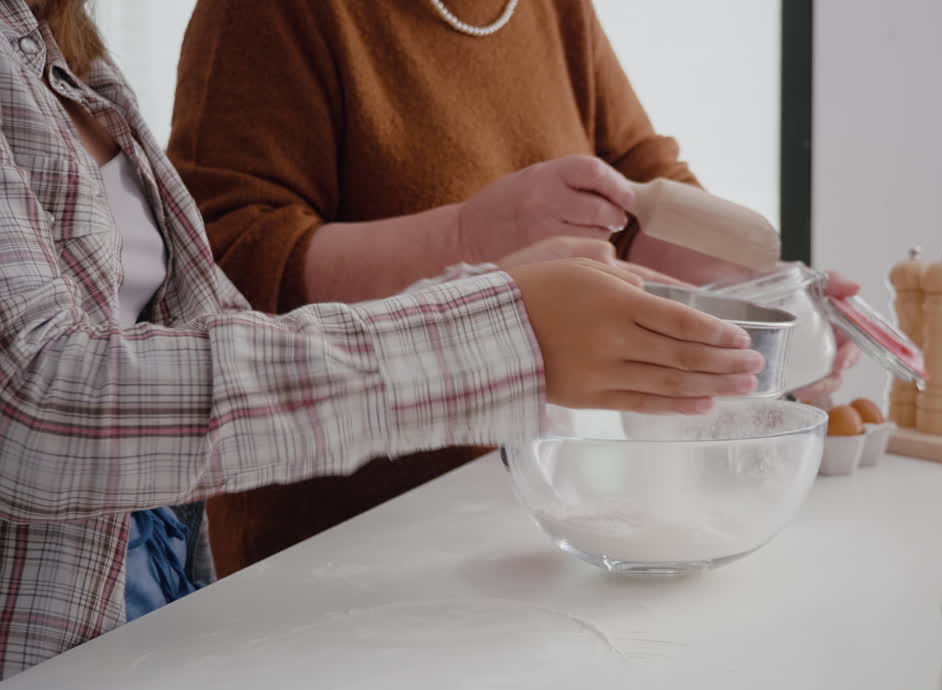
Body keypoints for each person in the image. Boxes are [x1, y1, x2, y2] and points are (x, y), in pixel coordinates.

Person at [0, 0, 765, 679]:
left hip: (466, 530)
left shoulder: (63, 44)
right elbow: (53, 395)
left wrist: (763, 288)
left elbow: (645, 190)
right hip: (334, 553)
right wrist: (491, 299)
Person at [168, 0, 862, 575]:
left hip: (530, 513)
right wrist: (466, 237)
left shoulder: (553, 9)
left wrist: (775, 299)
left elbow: (643, 194)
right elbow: (222, 264)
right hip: (340, 551)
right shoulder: (269, 15)